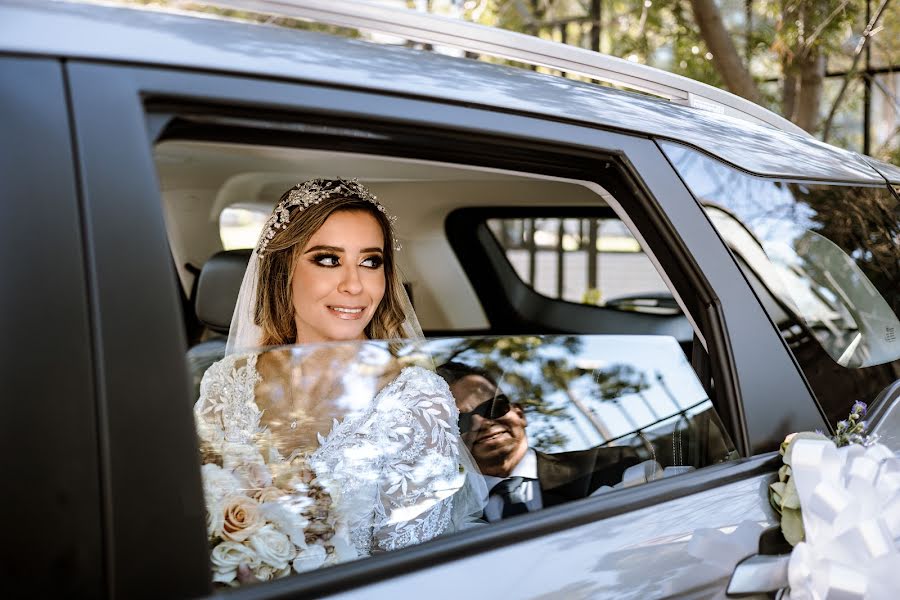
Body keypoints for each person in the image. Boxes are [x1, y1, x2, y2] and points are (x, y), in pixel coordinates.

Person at [193, 179, 486, 585]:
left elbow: (412, 573)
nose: (354, 285)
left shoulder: (415, 399)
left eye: (370, 261)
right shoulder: (226, 381)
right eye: (328, 259)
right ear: (284, 269)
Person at [437, 361, 639, 522]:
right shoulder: (444, 521)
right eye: (459, 420)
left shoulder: (613, 465)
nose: (481, 422)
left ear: (519, 414)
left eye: (492, 407)